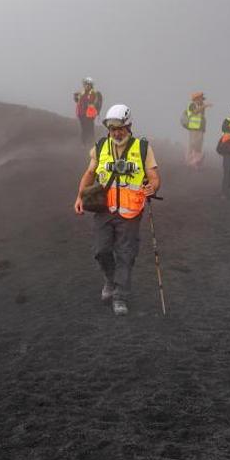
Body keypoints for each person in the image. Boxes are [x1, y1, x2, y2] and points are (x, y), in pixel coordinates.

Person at [74, 104, 161, 316]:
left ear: (129, 126)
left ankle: (120, 297)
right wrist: (79, 196)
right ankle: (110, 280)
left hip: (131, 212)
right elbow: (89, 174)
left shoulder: (142, 148)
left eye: (120, 128)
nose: (116, 132)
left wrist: (153, 186)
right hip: (104, 209)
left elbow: (154, 176)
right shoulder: (101, 147)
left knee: (125, 255)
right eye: (112, 129)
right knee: (101, 251)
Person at [182, 92, 212, 170]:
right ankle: (189, 161)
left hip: (200, 129)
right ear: (196, 99)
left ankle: (196, 161)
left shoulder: (200, 106)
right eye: (200, 99)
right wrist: (204, 106)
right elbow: (195, 112)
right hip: (194, 128)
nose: (202, 100)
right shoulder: (192, 105)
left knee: (198, 145)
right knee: (193, 144)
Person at [73, 77, 103, 147]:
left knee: (90, 128)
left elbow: (95, 103)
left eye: (88, 84)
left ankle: (90, 142)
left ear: (91, 85)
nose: (87, 86)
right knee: (84, 128)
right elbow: (77, 101)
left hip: (90, 114)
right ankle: (84, 143)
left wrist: (95, 109)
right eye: (85, 84)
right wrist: (75, 97)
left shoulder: (94, 93)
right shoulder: (82, 93)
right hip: (81, 114)